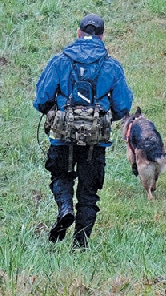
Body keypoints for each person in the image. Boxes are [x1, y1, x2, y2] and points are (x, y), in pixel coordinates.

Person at [33, 13, 133, 249]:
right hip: (95, 142)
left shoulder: (60, 61)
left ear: (78, 33)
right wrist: (102, 117)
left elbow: (41, 98)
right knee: (89, 192)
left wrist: (54, 112)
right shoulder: (111, 65)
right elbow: (123, 105)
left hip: (62, 137)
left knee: (60, 176)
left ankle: (65, 207)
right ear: (102, 36)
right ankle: (81, 244)